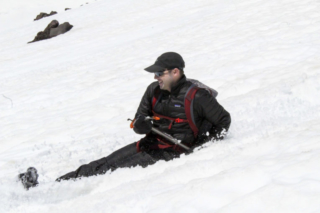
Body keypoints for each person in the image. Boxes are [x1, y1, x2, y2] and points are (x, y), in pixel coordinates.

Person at [19, 52, 231, 187]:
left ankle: (54, 194)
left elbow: (223, 120)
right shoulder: (153, 90)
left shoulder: (197, 96)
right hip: (149, 143)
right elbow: (139, 121)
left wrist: (204, 145)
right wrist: (141, 124)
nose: (156, 77)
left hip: (170, 153)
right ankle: (51, 186)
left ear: (175, 72)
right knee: (103, 164)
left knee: (110, 173)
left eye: (160, 73)